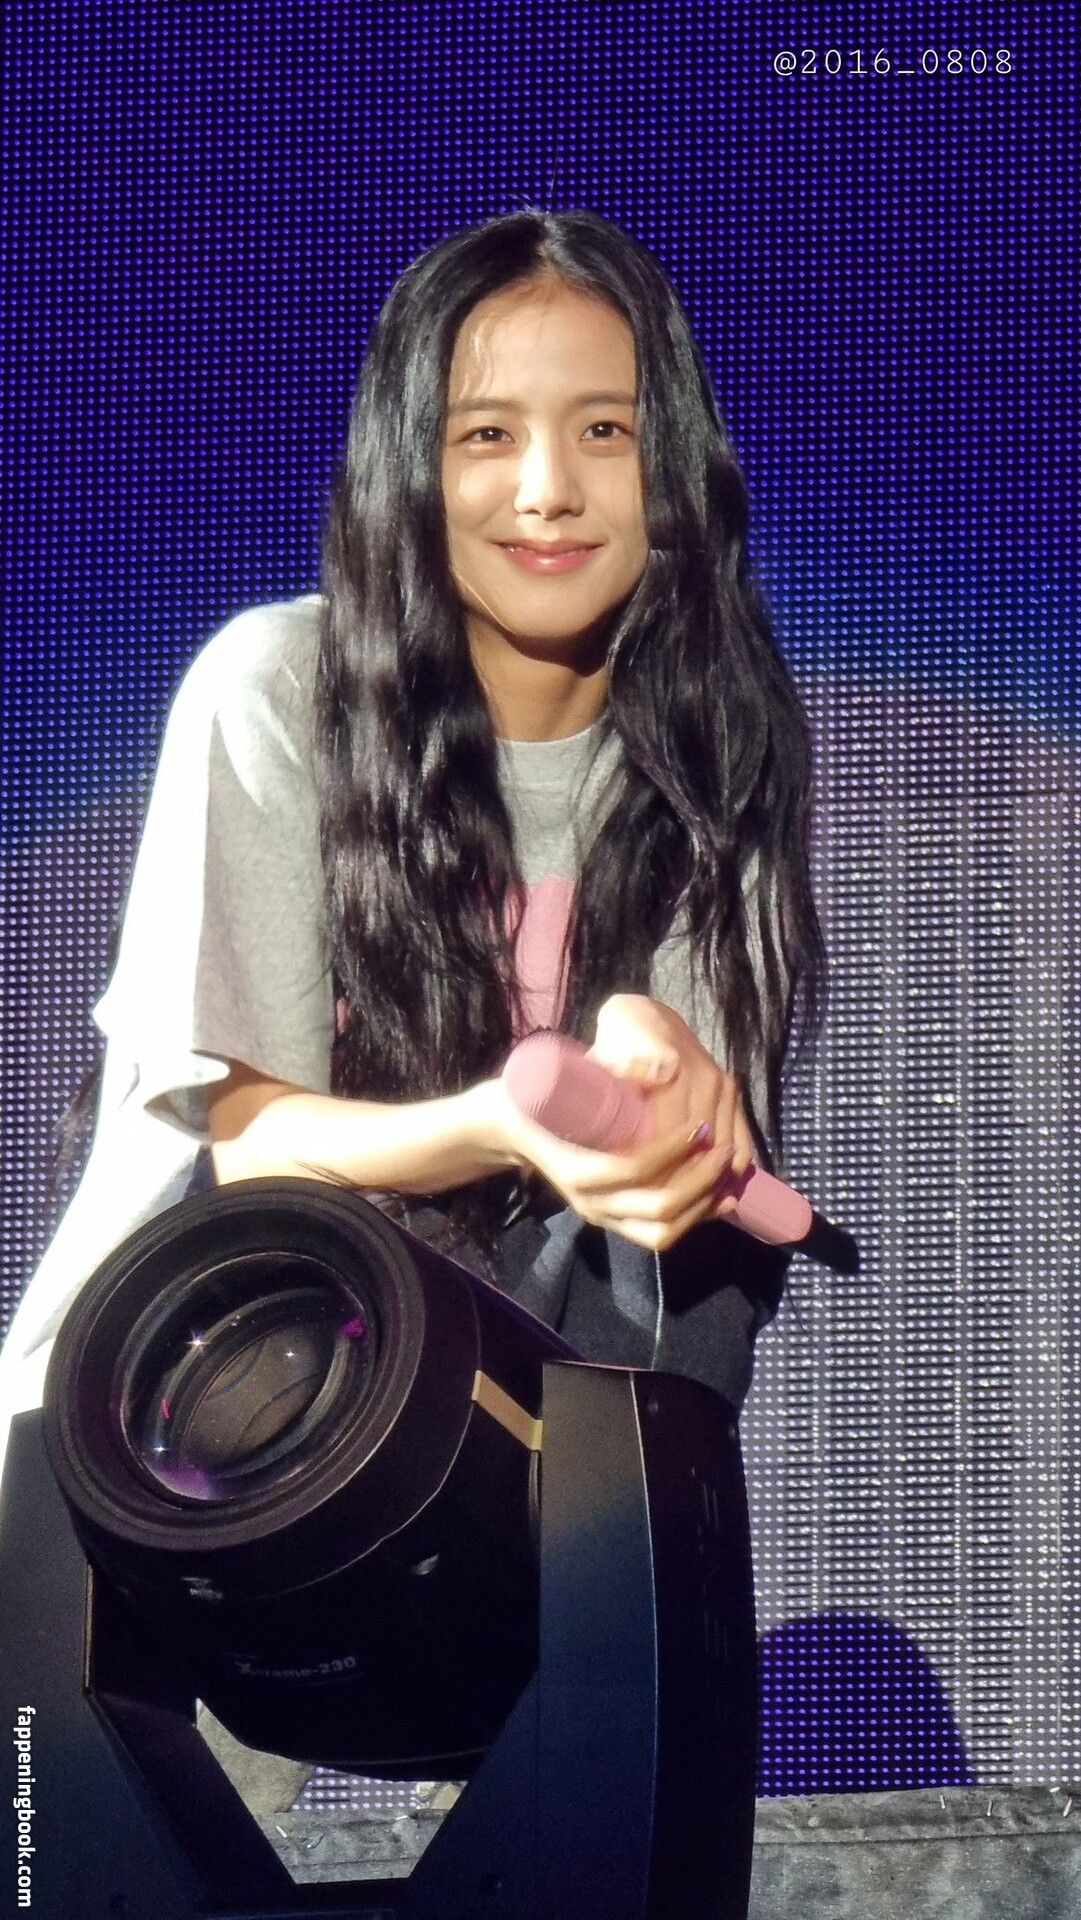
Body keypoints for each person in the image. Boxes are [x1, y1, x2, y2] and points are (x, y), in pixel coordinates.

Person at [0, 209, 825, 1471]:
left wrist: (654, 1057)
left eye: (604, 431)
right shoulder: (278, 686)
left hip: (484, 1420)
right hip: (188, 1403)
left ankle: (609, 1551)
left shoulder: (725, 749)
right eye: (487, 435)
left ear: (673, 460)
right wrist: (500, 1121)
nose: (548, 490)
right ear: (410, 465)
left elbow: (679, 1177)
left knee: (698, 1269)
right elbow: (254, 1147)